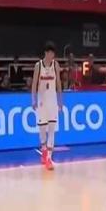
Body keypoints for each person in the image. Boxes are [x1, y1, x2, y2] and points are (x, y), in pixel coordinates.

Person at [32, 42, 62, 170]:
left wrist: (60, 101)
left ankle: (49, 158)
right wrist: (33, 100)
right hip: (42, 102)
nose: (51, 55)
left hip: (52, 101)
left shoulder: (56, 65)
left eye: (53, 53)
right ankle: (44, 150)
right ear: (45, 53)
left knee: (52, 130)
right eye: (49, 53)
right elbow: (34, 84)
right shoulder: (38, 66)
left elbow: (59, 83)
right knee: (42, 130)